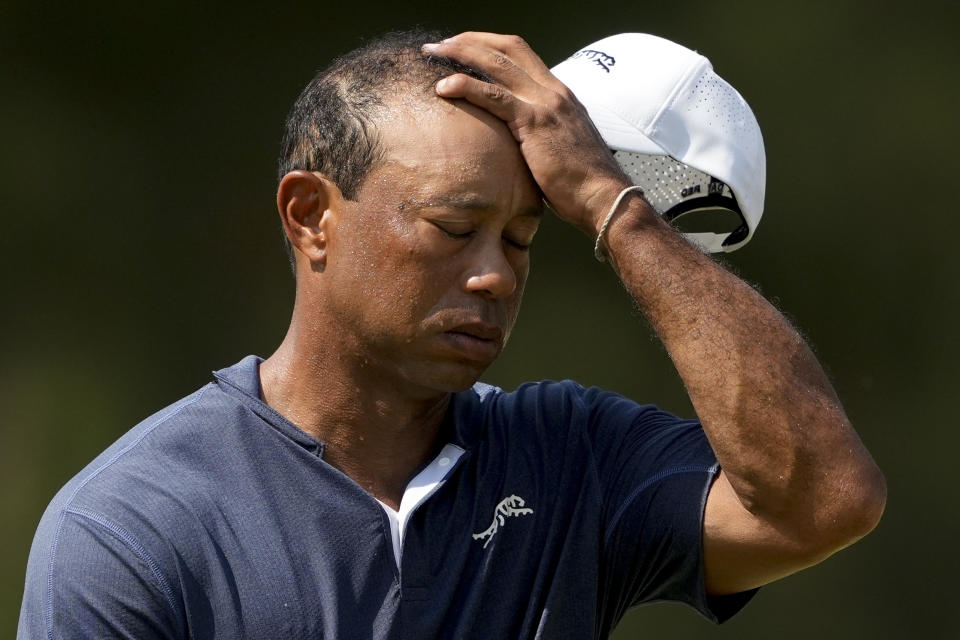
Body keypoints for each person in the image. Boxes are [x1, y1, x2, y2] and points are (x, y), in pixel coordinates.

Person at [18, 29, 886, 639]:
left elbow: (825, 502)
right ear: (312, 215)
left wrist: (617, 214)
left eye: (521, 240)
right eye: (449, 226)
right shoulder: (133, 526)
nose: (495, 275)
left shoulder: (568, 458)